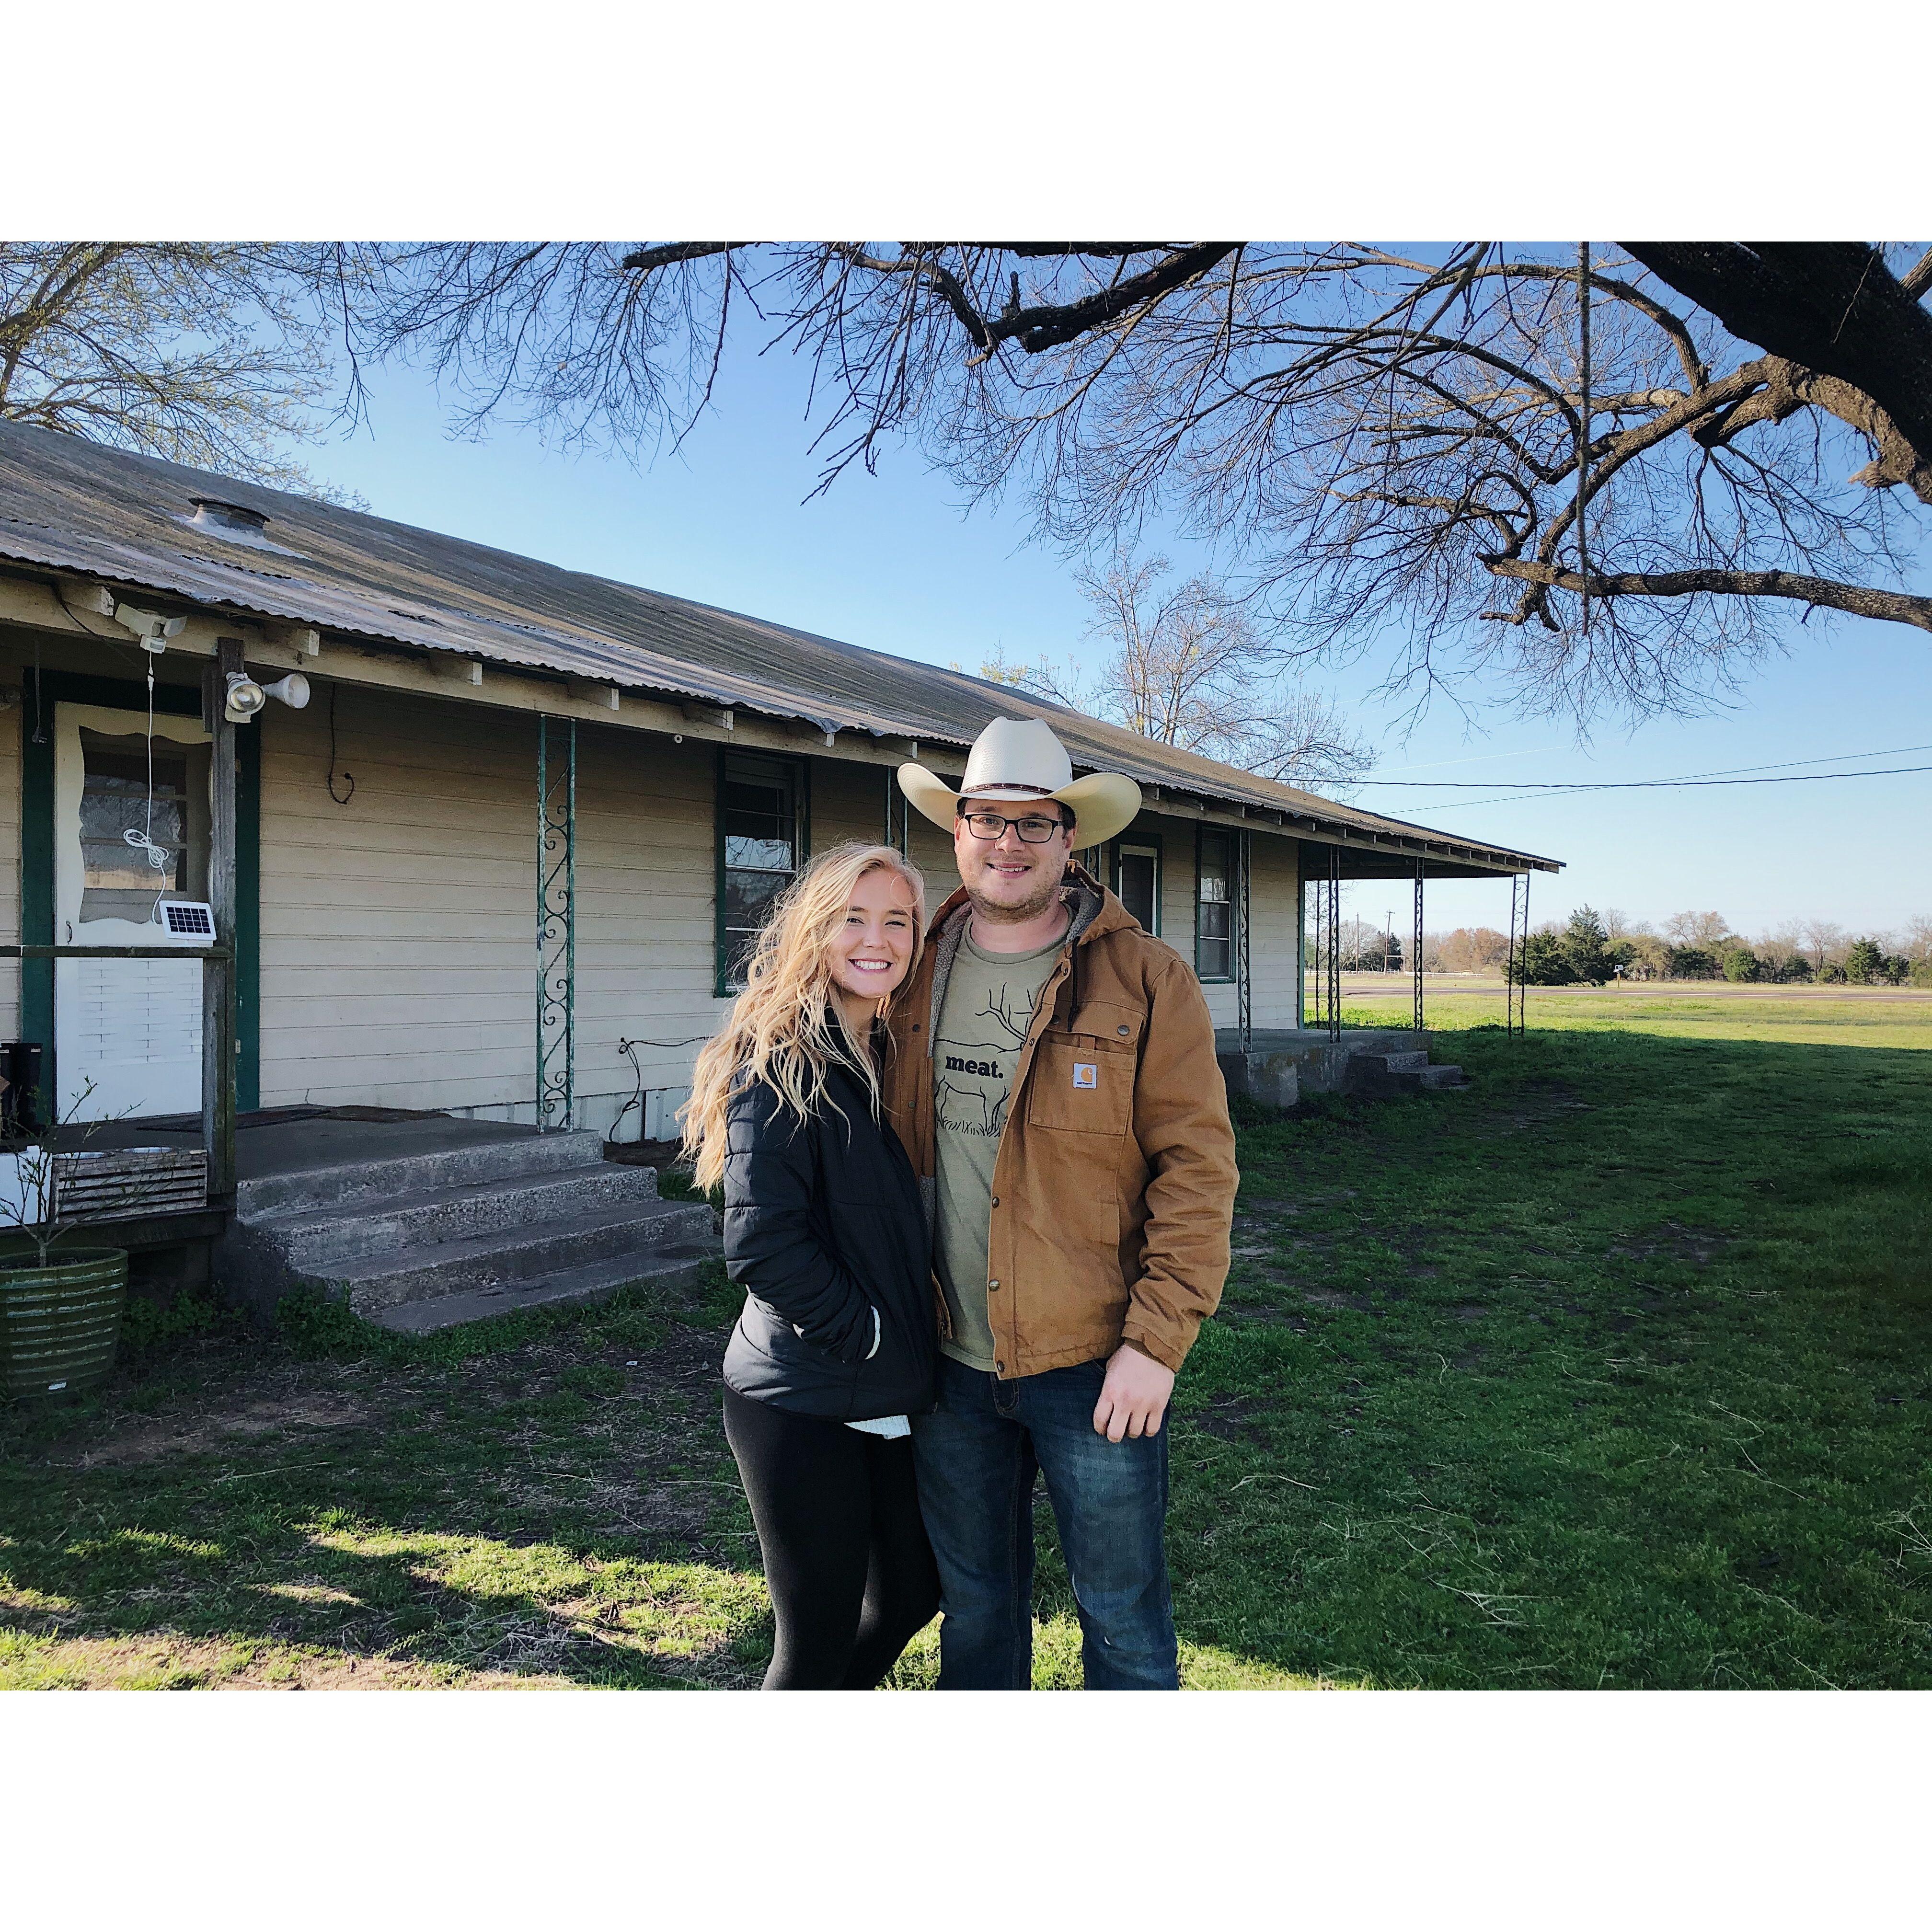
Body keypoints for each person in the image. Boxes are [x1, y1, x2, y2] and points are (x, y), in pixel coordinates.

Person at [885, 716, 1240, 1690]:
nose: (1006, 843)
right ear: (956, 830)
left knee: (1122, 1616)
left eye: (1032, 824)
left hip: (1095, 1364)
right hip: (946, 1360)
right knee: (979, 1608)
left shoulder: (1147, 978)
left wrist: (1156, 1343)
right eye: (985, 820)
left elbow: (1198, 1172)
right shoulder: (909, 967)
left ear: (1068, 838)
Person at [681, 842, 940, 1690]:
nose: (878, 939)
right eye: (852, 919)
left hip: (881, 1385)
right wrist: (865, 1335)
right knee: (816, 1635)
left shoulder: (883, 1052)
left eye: (896, 920)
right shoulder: (785, 1056)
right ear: (814, 934)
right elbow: (761, 1243)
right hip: (800, 1394)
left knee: (911, 1589)